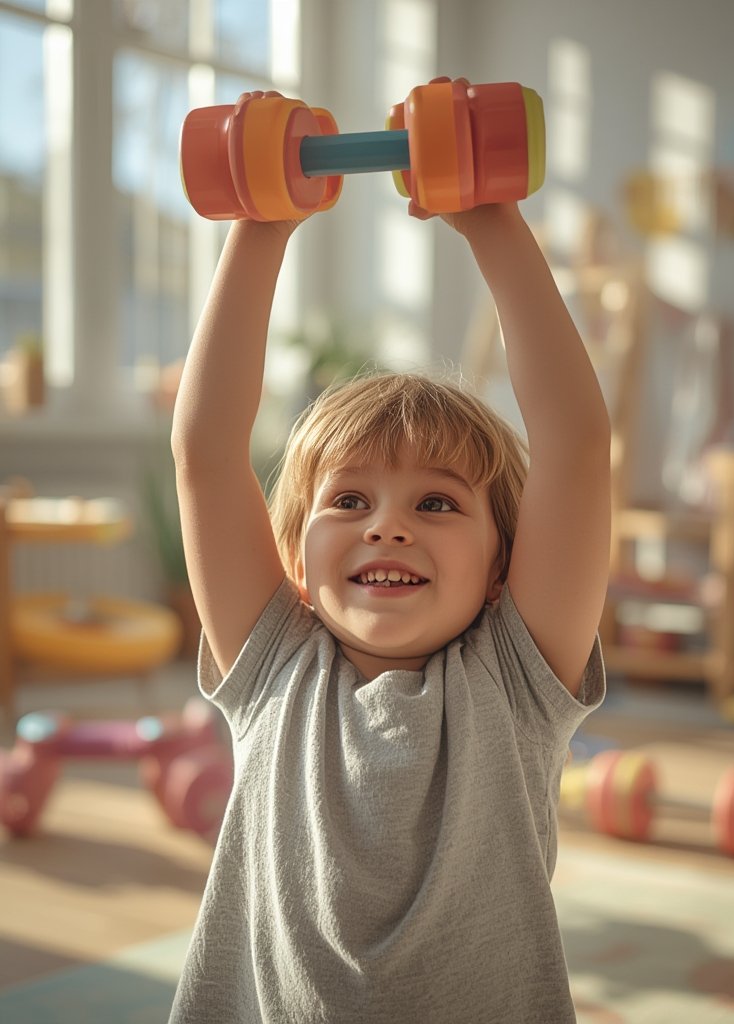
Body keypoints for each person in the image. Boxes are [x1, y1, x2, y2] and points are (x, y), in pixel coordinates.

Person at [168, 88, 611, 1024]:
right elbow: (206, 454)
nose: (387, 527)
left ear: (505, 567)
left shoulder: (517, 681)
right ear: (296, 554)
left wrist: (490, 218)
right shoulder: (273, 665)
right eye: (350, 501)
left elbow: (573, 446)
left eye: (438, 503)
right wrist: (260, 230)